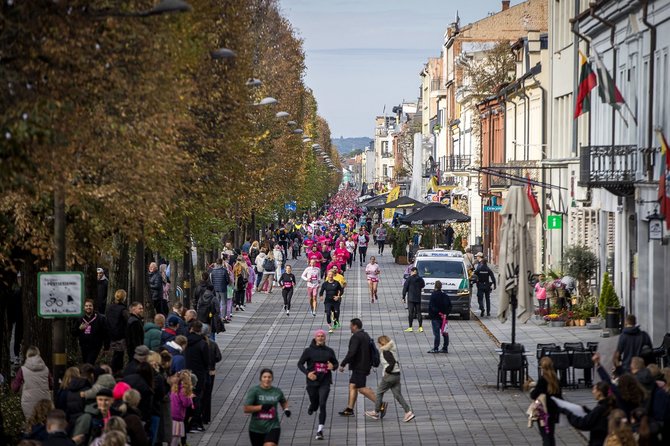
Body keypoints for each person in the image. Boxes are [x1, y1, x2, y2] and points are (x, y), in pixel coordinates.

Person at [297, 330, 338, 441]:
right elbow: (300, 364)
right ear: (315, 338)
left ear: (325, 338)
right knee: (315, 402)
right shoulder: (308, 351)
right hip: (312, 382)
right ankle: (312, 406)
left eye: (322, 336)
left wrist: (332, 367)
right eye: (318, 336)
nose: (320, 338)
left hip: (325, 381)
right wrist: (308, 373)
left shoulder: (329, 351)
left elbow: (336, 363)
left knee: (322, 403)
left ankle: (320, 430)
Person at [364, 336, 414, 422]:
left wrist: (387, 371)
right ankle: (408, 412)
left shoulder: (385, 351)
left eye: (378, 343)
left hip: (390, 376)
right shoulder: (392, 349)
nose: (378, 345)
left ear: (381, 343)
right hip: (397, 375)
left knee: (379, 392)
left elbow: (392, 363)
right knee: (398, 395)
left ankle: (376, 412)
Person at [338, 318, 376, 417]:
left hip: (359, 366)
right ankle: (349, 409)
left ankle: (380, 404)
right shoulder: (365, 335)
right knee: (352, 385)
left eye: (351, 325)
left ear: (355, 326)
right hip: (364, 365)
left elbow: (352, 352)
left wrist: (343, 364)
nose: (349, 327)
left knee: (361, 388)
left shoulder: (356, 337)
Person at [243, 369, 290, 446]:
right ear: (260, 378)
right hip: (256, 428)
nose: (267, 379)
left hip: (273, 426)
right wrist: (261, 407)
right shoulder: (254, 391)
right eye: (264, 377)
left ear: (272, 378)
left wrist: (286, 409)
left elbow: (283, 401)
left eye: (269, 377)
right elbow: (246, 409)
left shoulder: (277, 391)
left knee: (270, 445)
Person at [560, 381, 614, 446]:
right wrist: (588, 411)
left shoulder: (600, 408)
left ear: (599, 392)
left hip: (598, 442)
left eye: (594, 389)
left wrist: (568, 413)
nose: (592, 392)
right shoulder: (609, 405)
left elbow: (583, 423)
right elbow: (598, 419)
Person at [12, 346, 52, 419]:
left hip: (28, 402)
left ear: (27, 355)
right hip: (44, 401)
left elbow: (15, 388)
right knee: (44, 423)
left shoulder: (22, 370)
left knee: (31, 423)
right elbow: (51, 385)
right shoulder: (46, 369)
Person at [530, 357, 562, 446]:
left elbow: (534, 395)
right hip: (553, 412)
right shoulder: (556, 380)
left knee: (545, 436)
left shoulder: (543, 380)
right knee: (550, 435)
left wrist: (532, 390)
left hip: (543, 412)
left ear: (542, 368)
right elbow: (559, 397)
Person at [184, 321, 209, 432]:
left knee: (186, 396)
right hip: (198, 373)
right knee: (197, 397)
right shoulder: (202, 343)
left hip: (186, 372)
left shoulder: (185, 341)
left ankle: (187, 422)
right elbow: (206, 361)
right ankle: (195, 422)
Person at [75, 299, 109, 365]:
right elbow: (74, 333)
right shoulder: (80, 318)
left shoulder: (101, 318)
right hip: (84, 345)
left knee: (89, 363)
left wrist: (106, 347)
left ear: (93, 307)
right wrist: (79, 328)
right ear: (84, 307)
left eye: (90, 306)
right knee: (86, 363)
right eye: (86, 306)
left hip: (95, 345)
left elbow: (106, 333)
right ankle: (90, 374)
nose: (88, 307)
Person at [106, 290, 129, 374]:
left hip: (111, 335)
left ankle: (111, 370)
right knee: (119, 355)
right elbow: (128, 320)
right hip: (120, 335)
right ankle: (116, 372)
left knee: (114, 354)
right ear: (124, 298)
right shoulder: (123, 310)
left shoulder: (109, 308)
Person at [170, 370, 194, 446]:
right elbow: (186, 403)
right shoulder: (183, 390)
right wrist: (190, 397)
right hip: (178, 417)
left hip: (172, 415)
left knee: (173, 437)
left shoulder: (174, 387)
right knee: (176, 437)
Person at [428, 280, 452, 353]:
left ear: (435, 286)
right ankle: (445, 347)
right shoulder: (445, 295)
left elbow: (431, 306)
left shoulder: (433, 295)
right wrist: (446, 314)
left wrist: (435, 313)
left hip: (436, 317)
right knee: (445, 333)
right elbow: (450, 306)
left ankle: (436, 348)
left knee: (437, 334)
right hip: (444, 318)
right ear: (441, 287)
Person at [402, 266, 425, 332]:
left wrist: (403, 297)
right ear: (417, 272)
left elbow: (405, 288)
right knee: (419, 312)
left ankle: (410, 327)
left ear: (412, 272)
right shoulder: (420, 279)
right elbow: (423, 285)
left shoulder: (409, 279)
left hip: (411, 298)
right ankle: (420, 327)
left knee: (411, 313)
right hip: (418, 298)